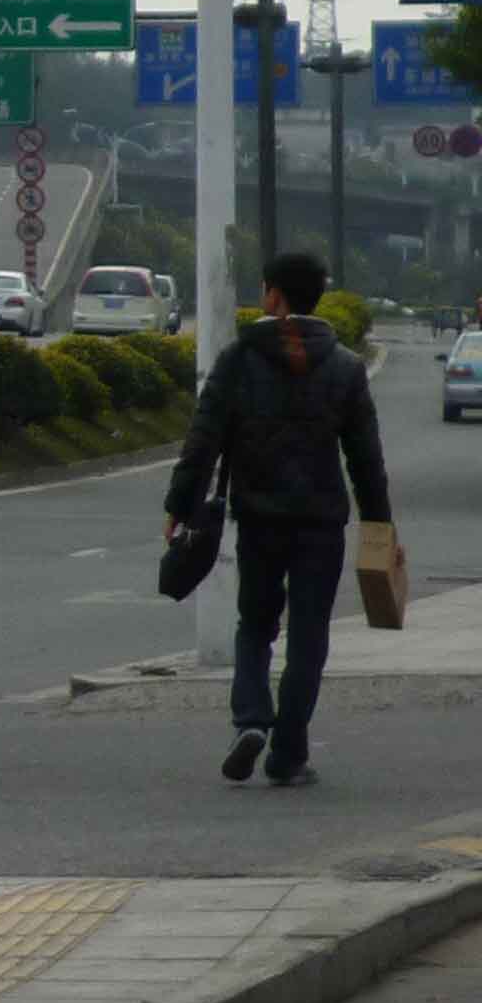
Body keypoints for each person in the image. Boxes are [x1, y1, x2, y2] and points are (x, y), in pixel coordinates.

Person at [166, 249, 392, 787]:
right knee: (310, 636)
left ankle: (250, 720)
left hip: (260, 518)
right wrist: (380, 525)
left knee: (256, 627)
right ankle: (289, 751)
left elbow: (204, 441)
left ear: (274, 296)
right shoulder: (344, 366)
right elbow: (365, 457)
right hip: (321, 524)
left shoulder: (239, 360)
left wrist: (179, 506)